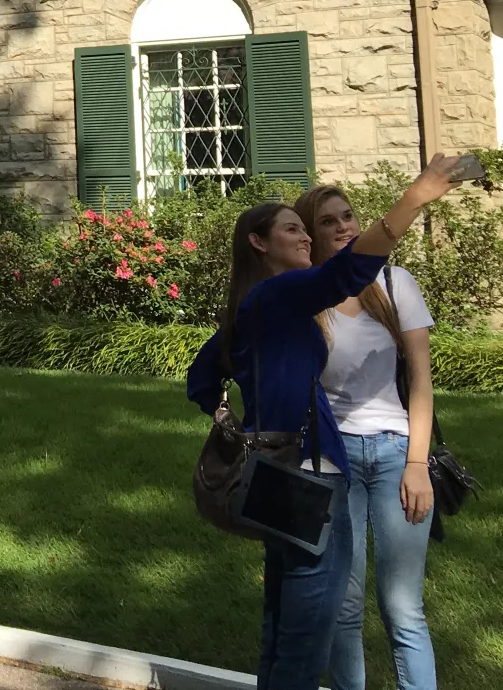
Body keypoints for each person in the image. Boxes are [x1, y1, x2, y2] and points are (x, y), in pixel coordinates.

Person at [187, 154, 461, 690]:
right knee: (307, 634)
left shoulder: (252, 305)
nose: (307, 237)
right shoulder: (281, 293)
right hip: (310, 473)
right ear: (259, 243)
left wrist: (240, 421)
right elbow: (350, 271)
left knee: (282, 622)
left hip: (271, 469)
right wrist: (416, 196)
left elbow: (201, 380)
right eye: (294, 229)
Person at [296, 185, 439, 690]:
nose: (343, 227)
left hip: (397, 451)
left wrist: (417, 465)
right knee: (344, 603)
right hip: (333, 461)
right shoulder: (307, 295)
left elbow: (420, 381)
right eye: (328, 221)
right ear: (311, 234)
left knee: (404, 607)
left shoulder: (396, 283)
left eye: (348, 216)